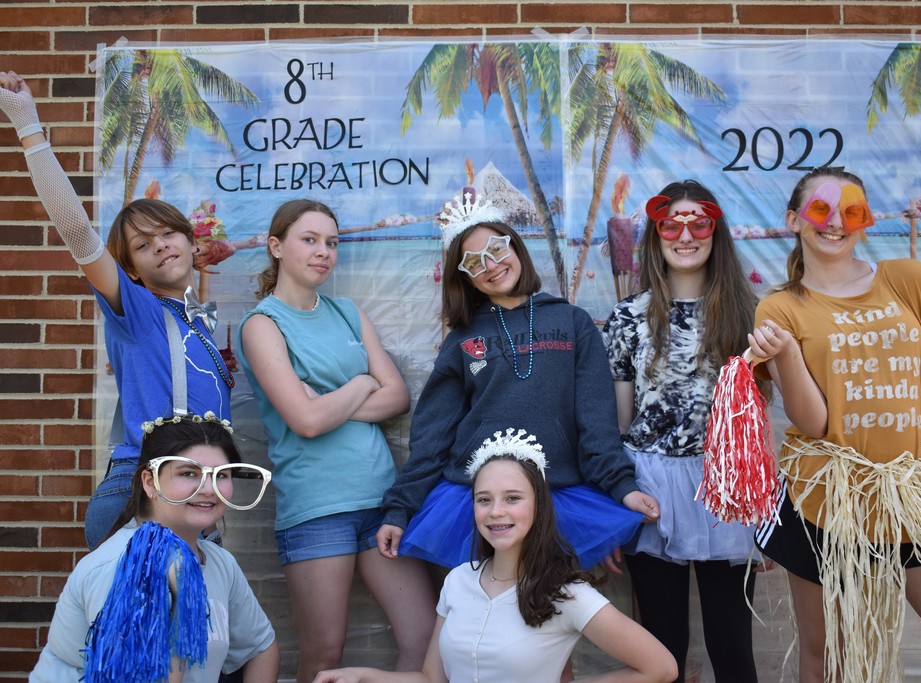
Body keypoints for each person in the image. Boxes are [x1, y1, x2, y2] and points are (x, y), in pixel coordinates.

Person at [749, 167, 921, 682]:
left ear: (866, 221)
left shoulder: (909, 280)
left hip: (907, 496)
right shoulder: (781, 306)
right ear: (794, 219)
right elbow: (814, 422)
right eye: (820, 210)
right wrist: (785, 354)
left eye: (851, 211)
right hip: (820, 502)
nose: (836, 223)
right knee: (827, 660)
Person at [0, 71, 233, 550]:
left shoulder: (197, 324)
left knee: (194, 628)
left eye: (168, 233)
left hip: (198, 494)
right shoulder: (139, 310)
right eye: (143, 245)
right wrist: (28, 124)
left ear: (191, 240)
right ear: (131, 271)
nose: (161, 246)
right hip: (140, 491)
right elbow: (77, 233)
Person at [377, 191, 659, 571]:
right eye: (474, 263)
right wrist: (399, 508)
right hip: (477, 506)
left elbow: (595, 421)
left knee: (545, 613)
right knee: (482, 613)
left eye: (495, 249)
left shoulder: (572, 323)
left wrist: (619, 490)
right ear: (466, 279)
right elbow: (433, 434)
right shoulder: (461, 339)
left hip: (557, 500)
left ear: (514, 244)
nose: (491, 266)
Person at [236, 199, 436, 683]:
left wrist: (330, 401)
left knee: (427, 640)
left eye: (332, 242)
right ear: (276, 246)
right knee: (325, 654)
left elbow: (397, 397)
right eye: (310, 240)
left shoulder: (348, 314)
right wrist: (361, 384)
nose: (324, 252)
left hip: (382, 501)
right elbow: (304, 422)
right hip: (317, 506)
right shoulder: (263, 326)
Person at [312, 428, 678, 683]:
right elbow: (430, 678)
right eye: (484, 500)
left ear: (539, 506)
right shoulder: (458, 581)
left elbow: (660, 668)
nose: (496, 511)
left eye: (512, 498)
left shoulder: (567, 594)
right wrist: (361, 675)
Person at [603, 180, 765, 682]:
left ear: (717, 233)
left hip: (726, 490)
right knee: (662, 647)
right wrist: (615, 502)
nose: (686, 235)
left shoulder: (751, 315)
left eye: (700, 223)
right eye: (672, 224)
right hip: (652, 490)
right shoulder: (627, 318)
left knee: (733, 643)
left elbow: (759, 418)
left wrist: (762, 504)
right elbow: (620, 424)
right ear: (656, 235)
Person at [30, 413, 279, 682]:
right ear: (150, 482)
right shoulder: (122, 563)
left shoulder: (220, 562)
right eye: (188, 473)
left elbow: (260, 648)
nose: (208, 489)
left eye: (222, 475)